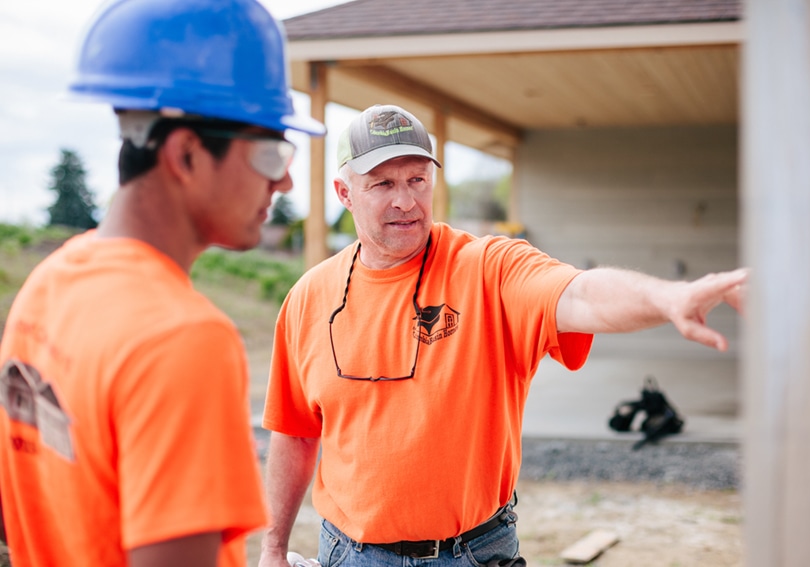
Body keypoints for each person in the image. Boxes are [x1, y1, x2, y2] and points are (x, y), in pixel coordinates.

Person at [259, 104, 746, 567]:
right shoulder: (309, 298)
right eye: (382, 183)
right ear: (344, 193)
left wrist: (668, 298)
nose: (406, 200)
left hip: (471, 552)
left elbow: (580, 295)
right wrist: (274, 549)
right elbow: (294, 431)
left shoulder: (488, 268)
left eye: (417, 180)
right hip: (350, 553)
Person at [0, 1, 325, 566]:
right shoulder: (182, 338)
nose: (286, 178)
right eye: (273, 150)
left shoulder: (50, 283)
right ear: (187, 153)